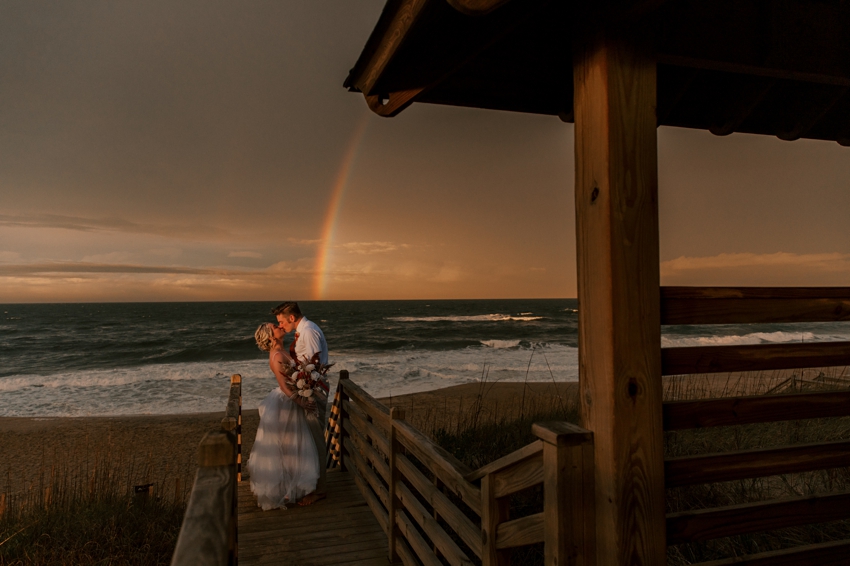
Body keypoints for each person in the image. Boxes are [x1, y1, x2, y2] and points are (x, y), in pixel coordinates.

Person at [248, 322, 320, 510]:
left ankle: (291, 488)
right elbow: (285, 386)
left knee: (290, 446)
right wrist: (302, 402)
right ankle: (290, 489)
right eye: (275, 327)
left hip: (286, 402)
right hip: (285, 404)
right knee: (290, 446)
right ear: (271, 337)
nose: (280, 326)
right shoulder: (278, 356)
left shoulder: (282, 351)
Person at [273, 301, 329, 505]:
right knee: (311, 441)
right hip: (307, 390)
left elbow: (314, 367)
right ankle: (313, 485)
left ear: (291, 317)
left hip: (313, 391)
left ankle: (320, 490)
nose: (280, 326)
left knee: (315, 440)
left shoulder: (309, 332)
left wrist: (305, 392)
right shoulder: (302, 331)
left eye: (281, 321)